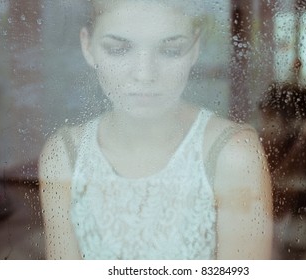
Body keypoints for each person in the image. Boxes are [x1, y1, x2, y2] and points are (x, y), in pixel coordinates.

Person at [39, 0, 272, 260]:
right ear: (87, 46)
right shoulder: (64, 155)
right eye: (118, 49)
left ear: (195, 48)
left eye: (171, 50)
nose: (144, 74)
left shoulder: (234, 155)